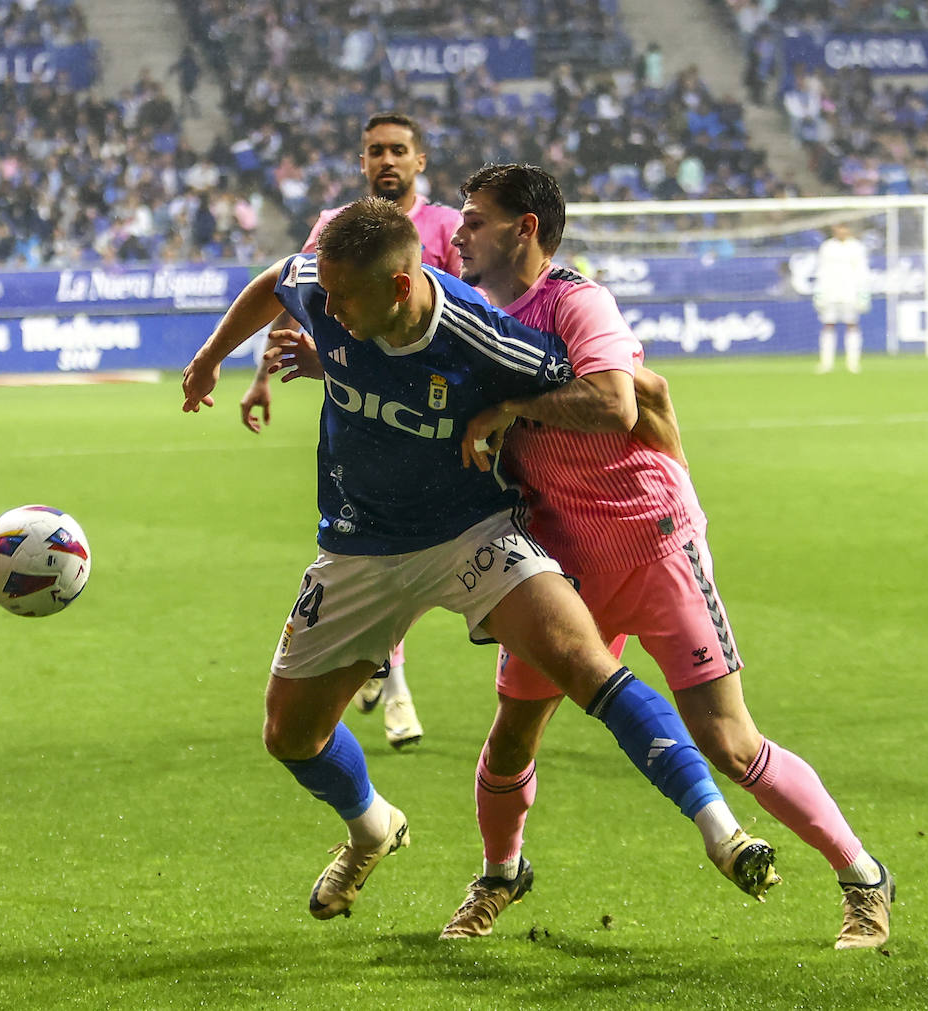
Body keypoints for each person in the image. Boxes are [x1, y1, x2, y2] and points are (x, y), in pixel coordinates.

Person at [182, 197, 778, 924]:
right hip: (358, 545)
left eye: (341, 297)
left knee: (586, 662)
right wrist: (211, 359)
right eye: (324, 294)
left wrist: (646, 446)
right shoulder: (320, 287)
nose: (323, 306)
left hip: (474, 532)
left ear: (400, 287)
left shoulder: (483, 334)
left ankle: (723, 833)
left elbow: (599, 394)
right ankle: (372, 825)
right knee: (290, 735)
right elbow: (279, 277)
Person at [446, 164, 891, 948]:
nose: (461, 231)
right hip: (558, 564)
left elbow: (619, 401)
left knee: (730, 741)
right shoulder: (473, 313)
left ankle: (863, 877)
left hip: (653, 542)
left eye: (477, 218)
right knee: (514, 730)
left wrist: (510, 406)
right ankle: (500, 874)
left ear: (525, 230)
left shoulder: (575, 300)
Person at [240, 112, 464, 750]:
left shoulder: (447, 228)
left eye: (398, 150)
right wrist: (263, 376)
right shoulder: (336, 229)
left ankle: (374, 662)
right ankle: (394, 689)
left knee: (420, 561)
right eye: (374, 152)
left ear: (420, 161)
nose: (386, 161)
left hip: (432, 420)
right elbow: (299, 300)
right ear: (362, 162)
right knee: (382, 552)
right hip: (363, 421)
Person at [813, 223, 871, 374]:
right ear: (834, 230)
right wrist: (819, 292)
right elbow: (821, 270)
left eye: (845, 228)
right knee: (828, 324)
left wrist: (863, 293)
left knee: (852, 325)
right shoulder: (827, 247)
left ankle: (853, 363)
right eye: (839, 228)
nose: (842, 231)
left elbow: (862, 271)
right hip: (830, 291)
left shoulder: (857, 247)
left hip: (850, 292)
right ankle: (826, 363)